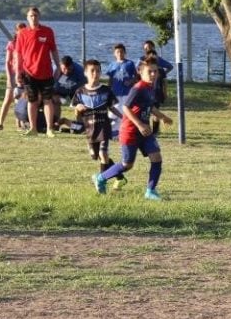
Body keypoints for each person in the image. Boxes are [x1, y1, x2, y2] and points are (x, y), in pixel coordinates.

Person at [91, 56, 173, 200]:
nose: (153, 74)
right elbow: (126, 108)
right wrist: (140, 124)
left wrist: (162, 117)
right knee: (127, 164)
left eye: (155, 71)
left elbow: (150, 107)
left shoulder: (151, 87)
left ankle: (150, 191)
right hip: (130, 131)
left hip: (144, 132)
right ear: (140, 72)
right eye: (150, 71)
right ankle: (101, 177)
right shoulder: (138, 88)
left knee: (157, 158)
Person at [72, 59, 128, 191]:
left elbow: (112, 108)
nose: (95, 73)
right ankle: (120, 177)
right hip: (90, 129)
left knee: (104, 154)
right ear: (85, 73)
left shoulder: (105, 90)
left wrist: (123, 117)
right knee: (95, 156)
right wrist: (77, 110)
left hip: (103, 126)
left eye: (98, 71)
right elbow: (77, 115)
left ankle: (101, 182)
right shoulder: (80, 92)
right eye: (92, 70)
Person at [14, 7, 61, 137]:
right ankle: (33, 128)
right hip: (29, 73)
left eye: (35, 15)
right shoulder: (22, 33)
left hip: (46, 72)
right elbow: (18, 54)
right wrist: (18, 71)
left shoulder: (47, 31)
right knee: (32, 100)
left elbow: (54, 50)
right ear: (27, 18)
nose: (33, 18)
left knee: (48, 100)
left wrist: (58, 65)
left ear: (39, 16)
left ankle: (49, 129)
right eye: (30, 16)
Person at [0, 22, 26, 131]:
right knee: (8, 98)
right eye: (20, 30)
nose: (22, 32)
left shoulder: (27, 43)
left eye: (24, 30)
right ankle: (1, 122)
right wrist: (9, 77)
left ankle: (19, 124)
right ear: (16, 31)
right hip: (14, 72)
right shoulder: (12, 44)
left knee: (20, 99)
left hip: (23, 74)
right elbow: (7, 62)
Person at [141, 40, 174, 133]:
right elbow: (137, 72)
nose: (147, 50)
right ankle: (146, 128)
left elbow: (165, 79)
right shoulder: (142, 61)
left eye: (149, 47)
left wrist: (165, 92)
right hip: (146, 91)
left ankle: (155, 131)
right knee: (146, 111)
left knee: (156, 111)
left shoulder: (160, 66)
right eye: (146, 48)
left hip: (156, 92)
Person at [53, 55, 87, 121]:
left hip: (75, 90)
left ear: (72, 66)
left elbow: (85, 87)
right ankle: (55, 122)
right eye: (64, 69)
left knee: (80, 104)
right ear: (60, 65)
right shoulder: (54, 70)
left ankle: (80, 123)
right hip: (59, 91)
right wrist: (54, 95)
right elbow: (49, 86)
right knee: (55, 101)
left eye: (69, 69)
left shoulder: (80, 71)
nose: (66, 71)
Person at [105, 43, 138, 108]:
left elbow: (136, 76)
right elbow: (110, 79)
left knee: (126, 110)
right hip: (115, 92)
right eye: (117, 52)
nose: (119, 53)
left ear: (125, 53)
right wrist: (108, 90)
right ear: (114, 53)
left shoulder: (130, 63)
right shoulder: (111, 65)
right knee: (115, 110)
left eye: (121, 52)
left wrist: (130, 81)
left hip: (127, 92)